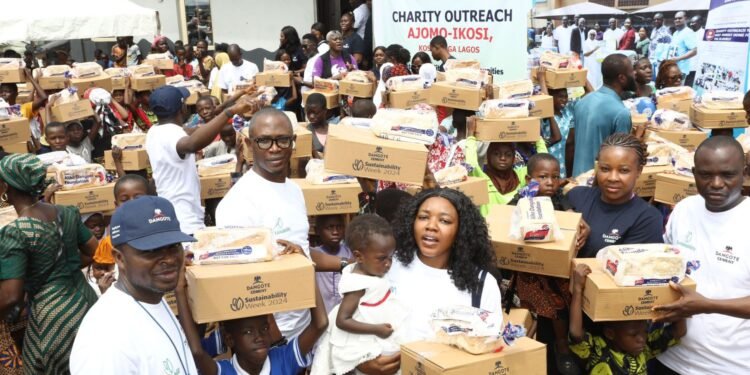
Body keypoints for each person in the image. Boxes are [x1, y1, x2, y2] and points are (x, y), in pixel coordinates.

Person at [216, 108, 341, 341]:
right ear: (249, 143)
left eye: (282, 140)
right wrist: (274, 339)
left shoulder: (293, 189)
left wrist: (348, 264)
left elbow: (298, 250)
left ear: (293, 142)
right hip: (272, 339)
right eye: (264, 141)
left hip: (305, 325)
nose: (274, 148)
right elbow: (242, 280)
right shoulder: (238, 203)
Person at [355, 188, 501, 373]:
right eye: (423, 217)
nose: (431, 226)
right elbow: (348, 323)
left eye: (445, 221)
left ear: (461, 230)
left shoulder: (482, 284)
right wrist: (360, 360)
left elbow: (490, 349)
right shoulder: (386, 266)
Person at [651, 136, 750, 374]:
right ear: (694, 174)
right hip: (669, 357)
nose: (716, 183)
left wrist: (707, 305)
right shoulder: (684, 209)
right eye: (706, 175)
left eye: (727, 175)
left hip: (729, 366)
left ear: (744, 173)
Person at [70, 196, 199, 374]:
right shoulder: (106, 338)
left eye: (173, 245)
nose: (169, 259)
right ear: (119, 258)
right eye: (152, 251)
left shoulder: (152, 296)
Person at [0, 153, 98, 373]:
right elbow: (95, 251)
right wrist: (66, 267)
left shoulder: (15, 232)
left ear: (6, 187)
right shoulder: (67, 213)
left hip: (53, 318)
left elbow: (10, 296)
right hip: (87, 303)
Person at [176, 255, 327, 375]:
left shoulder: (283, 360)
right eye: (248, 332)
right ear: (229, 339)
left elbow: (320, 324)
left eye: (264, 329)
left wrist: (306, 269)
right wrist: (179, 291)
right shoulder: (223, 371)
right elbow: (196, 352)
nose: (259, 337)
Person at [146, 85, 260, 235]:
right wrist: (230, 112)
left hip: (173, 215)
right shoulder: (171, 134)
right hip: (184, 219)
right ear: (182, 108)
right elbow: (192, 143)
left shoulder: (156, 131)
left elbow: (197, 131)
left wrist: (226, 116)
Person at [312, 214, 407, 374]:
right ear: (358, 256)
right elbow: (342, 321)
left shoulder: (372, 272)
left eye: (391, 257)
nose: (388, 264)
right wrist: (376, 329)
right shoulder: (357, 285)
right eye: (382, 258)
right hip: (363, 338)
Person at [569, 263, 686, 375]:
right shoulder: (599, 351)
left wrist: (677, 294)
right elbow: (576, 334)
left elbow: (679, 331)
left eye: (645, 332)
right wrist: (578, 289)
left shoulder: (645, 348)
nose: (641, 339)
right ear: (610, 333)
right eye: (633, 334)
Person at [567, 133, 664, 258]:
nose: (613, 178)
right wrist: (569, 216)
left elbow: (630, 270)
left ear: (639, 171)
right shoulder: (576, 197)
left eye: (624, 170)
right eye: (605, 169)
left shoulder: (647, 218)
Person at [464, 117, 547, 215]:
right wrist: (470, 135)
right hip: (489, 228)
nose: (503, 158)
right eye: (496, 154)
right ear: (489, 156)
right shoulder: (482, 178)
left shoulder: (521, 176)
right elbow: (471, 163)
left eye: (508, 155)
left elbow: (542, 164)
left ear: (514, 158)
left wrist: (537, 137)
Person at [569, 54, 635, 176]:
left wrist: (570, 179)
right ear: (622, 78)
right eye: (632, 71)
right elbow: (620, 157)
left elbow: (570, 143)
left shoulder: (582, 103)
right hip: (598, 185)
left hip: (576, 181)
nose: (634, 75)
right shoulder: (621, 113)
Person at [538, 67, 593, 178]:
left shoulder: (568, 110)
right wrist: (542, 79)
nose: (564, 100)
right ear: (551, 97)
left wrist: (580, 77)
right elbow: (546, 102)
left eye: (566, 96)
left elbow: (591, 94)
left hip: (565, 162)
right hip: (549, 161)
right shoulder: (546, 115)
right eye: (560, 97)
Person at [93, 173, 151, 274]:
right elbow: (98, 269)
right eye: (124, 200)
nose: (132, 203)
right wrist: (102, 276)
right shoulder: (110, 243)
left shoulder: (160, 233)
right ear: (116, 205)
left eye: (138, 198)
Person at [312, 214, 352, 314]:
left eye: (339, 227)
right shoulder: (313, 255)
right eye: (329, 227)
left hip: (345, 313)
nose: (335, 232)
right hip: (323, 313)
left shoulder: (350, 253)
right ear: (317, 230)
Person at [667, 11, 697, 85]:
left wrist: (678, 58)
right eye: (676, 18)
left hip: (681, 70)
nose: (677, 20)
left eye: (680, 18)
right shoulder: (675, 33)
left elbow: (694, 51)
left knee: (678, 92)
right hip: (673, 68)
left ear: (685, 19)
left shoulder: (688, 32)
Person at [649, 13, 673, 80]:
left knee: (659, 79)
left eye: (658, 19)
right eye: (655, 19)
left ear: (662, 20)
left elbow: (668, 47)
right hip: (652, 58)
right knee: (652, 79)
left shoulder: (666, 31)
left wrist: (663, 61)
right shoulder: (654, 30)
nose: (656, 21)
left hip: (659, 61)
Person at [687, 15, 705, 86]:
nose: (691, 24)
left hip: (697, 64)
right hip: (687, 63)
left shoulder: (704, 34)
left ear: (700, 22)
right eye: (691, 23)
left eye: (693, 22)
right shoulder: (688, 33)